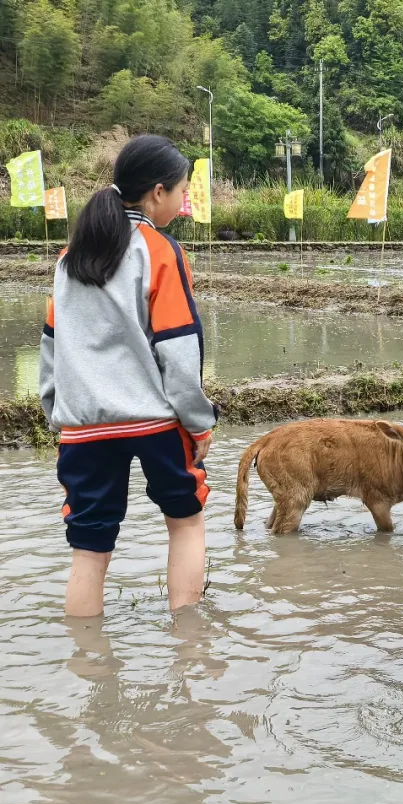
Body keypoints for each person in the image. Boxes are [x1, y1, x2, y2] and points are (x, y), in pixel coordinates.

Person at [39, 135, 217, 617]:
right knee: (185, 523)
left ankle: (90, 667)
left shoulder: (69, 256)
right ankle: (189, 655)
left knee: (90, 550)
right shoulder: (159, 250)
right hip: (154, 422)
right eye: (181, 192)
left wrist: (59, 412)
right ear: (157, 192)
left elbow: (52, 344)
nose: (182, 203)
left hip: (83, 426)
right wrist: (200, 422)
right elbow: (178, 347)